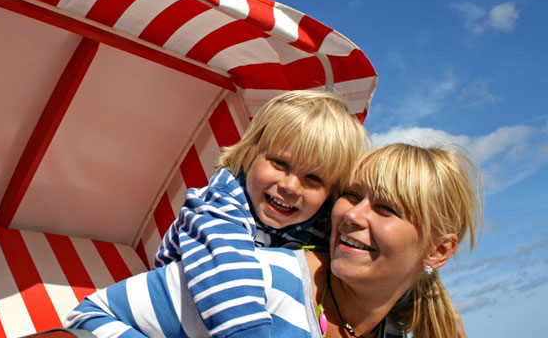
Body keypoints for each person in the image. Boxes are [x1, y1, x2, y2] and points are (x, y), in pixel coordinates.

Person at [65, 143, 483, 338]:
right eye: (352, 196)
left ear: (438, 250)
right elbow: (92, 315)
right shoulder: (259, 280)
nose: (353, 215)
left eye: (386, 209)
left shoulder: (395, 330)